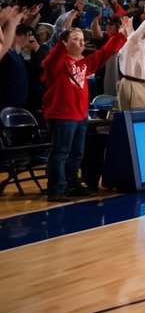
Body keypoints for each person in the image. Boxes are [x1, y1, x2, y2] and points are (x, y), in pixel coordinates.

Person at [42, 16, 129, 200]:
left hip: (80, 115)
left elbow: (105, 52)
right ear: (64, 42)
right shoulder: (55, 62)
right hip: (62, 115)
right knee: (61, 152)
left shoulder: (85, 64)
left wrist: (122, 34)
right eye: (75, 38)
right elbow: (54, 56)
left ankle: (72, 185)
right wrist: (64, 33)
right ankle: (56, 189)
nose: (80, 42)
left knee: (77, 153)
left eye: (82, 39)